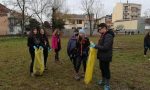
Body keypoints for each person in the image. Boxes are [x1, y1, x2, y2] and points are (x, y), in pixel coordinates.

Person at [90, 23, 115, 90]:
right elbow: (101, 44)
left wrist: (95, 46)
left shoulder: (108, 35)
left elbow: (105, 47)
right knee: (102, 68)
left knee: (106, 70)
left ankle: (107, 85)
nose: (99, 30)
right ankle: (103, 81)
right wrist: (95, 46)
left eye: (99, 29)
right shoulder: (103, 35)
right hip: (102, 56)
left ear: (104, 28)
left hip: (106, 56)